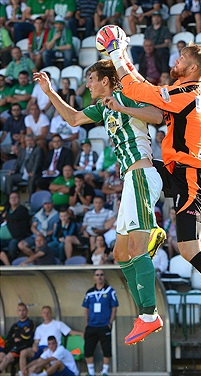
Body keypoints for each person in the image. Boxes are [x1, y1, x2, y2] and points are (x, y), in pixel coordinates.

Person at [99, 32, 201, 343]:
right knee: (136, 170)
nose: (176, 61)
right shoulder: (183, 90)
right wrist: (123, 58)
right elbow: (149, 93)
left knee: (189, 249)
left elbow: (141, 89)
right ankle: (151, 230)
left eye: (182, 59)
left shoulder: (191, 92)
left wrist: (118, 53)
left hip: (192, 176)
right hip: (174, 171)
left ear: (193, 68)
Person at [33, 59, 167, 346]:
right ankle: (146, 312)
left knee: (136, 248)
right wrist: (49, 92)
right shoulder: (103, 106)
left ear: (106, 80)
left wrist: (122, 107)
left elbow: (158, 115)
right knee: (119, 254)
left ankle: (149, 314)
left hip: (141, 174)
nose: (87, 84)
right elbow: (73, 119)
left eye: (91, 79)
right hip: (130, 182)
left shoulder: (127, 93)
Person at [19, 305, 83, 376]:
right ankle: (23, 372)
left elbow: (70, 332)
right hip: (40, 348)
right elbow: (36, 342)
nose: (46, 314)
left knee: (45, 362)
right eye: (44, 313)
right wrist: (34, 346)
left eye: (48, 312)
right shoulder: (39, 328)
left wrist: (82, 334)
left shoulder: (58, 324)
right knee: (23, 352)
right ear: (41, 314)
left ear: (51, 313)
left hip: (52, 348)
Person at [82, 270, 118, 376]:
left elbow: (114, 308)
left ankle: (105, 371)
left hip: (104, 326)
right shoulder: (89, 292)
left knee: (106, 350)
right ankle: (91, 372)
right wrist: (87, 322)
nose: (99, 277)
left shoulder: (110, 291)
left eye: (101, 275)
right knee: (88, 350)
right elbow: (86, 308)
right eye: (97, 275)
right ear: (94, 277)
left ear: (104, 277)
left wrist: (110, 322)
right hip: (91, 325)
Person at [0, 303, 35, 373]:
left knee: (7, 358)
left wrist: (16, 335)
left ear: (27, 311)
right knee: (1, 356)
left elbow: (27, 337)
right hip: (12, 346)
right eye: (20, 310)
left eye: (23, 310)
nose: (22, 313)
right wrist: (19, 335)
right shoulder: (15, 325)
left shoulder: (31, 324)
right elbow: (8, 339)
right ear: (17, 312)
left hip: (24, 346)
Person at [0, 192, 31, 262]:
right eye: (11, 198)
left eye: (15, 197)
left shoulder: (23, 209)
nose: (13, 199)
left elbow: (16, 217)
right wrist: (8, 218)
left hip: (16, 237)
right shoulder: (7, 209)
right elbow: (1, 218)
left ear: (19, 199)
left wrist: (6, 217)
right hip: (2, 238)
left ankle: (12, 263)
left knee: (12, 246)